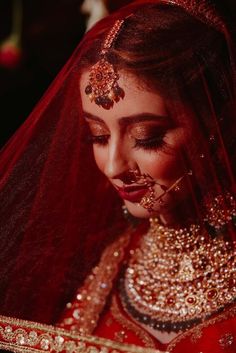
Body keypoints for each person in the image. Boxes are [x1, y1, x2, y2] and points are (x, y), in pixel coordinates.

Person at [0, 1, 235, 352]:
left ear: (217, 127)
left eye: (147, 138)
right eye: (98, 136)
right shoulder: (113, 262)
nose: (113, 167)